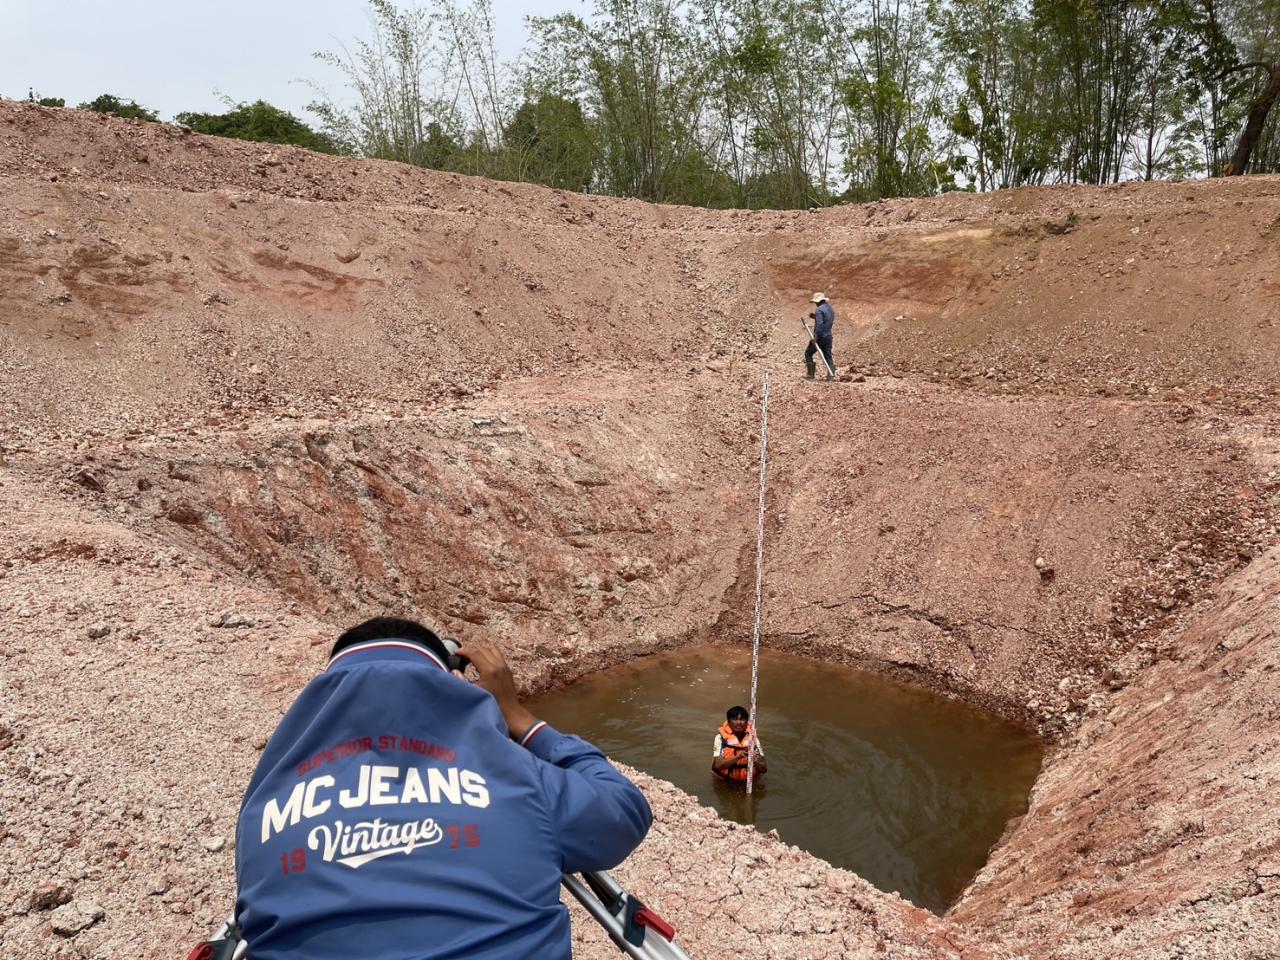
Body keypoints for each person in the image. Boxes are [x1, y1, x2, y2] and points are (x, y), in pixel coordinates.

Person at [234, 616, 652, 960]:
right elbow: (623, 812)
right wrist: (516, 715)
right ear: (446, 677)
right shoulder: (514, 776)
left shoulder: (264, 804)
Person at [712, 705, 766, 783]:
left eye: (742, 719)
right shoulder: (720, 738)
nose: (739, 723)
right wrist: (738, 757)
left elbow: (764, 769)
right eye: (734, 719)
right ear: (729, 722)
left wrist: (755, 761)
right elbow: (717, 766)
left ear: (747, 722)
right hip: (725, 781)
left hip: (748, 782)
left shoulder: (753, 738)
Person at [804, 292, 836, 381]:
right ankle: (831, 376)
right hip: (828, 336)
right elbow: (827, 320)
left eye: (815, 302)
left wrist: (815, 337)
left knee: (808, 353)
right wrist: (815, 317)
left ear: (818, 301)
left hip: (820, 337)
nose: (815, 304)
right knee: (828, 356)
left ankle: (810, 374)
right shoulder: (830, 308)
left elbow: (819, 324)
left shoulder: (819, 310)